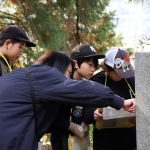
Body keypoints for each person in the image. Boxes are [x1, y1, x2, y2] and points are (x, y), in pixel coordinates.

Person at [0, 49, 135, 150]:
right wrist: (121, 102)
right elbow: (83, 89)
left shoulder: (20, 75)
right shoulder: (46, 76)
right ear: (58, 67)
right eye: (69, 73)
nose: (68, 78)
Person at [84, 47, 136, 150]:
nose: (121, 76)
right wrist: (92, 113)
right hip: (104, 141)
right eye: (117, 73)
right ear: (106, 69)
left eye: (124, 72)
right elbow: (85, 110)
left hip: (129, 139)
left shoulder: (130, 79)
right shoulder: (96, 82)